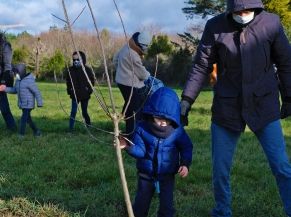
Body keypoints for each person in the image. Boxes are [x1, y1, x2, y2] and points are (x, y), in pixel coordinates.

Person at [180, 0, 291, 216]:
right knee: (220, 169)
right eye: (238, 10)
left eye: (248, 10)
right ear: (230, 9)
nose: (243, 14)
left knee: (281, 166)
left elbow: (286, 62)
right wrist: (186, 100)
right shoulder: (215, 27)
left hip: (264, 103)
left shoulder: (272, 24)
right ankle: (222, 211)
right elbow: (202, 65)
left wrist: (289, 96)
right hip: (227, 106)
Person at [120, 87, 193, 217]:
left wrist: (185, 163)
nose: (163, 122)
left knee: (167, 207)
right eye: (159, 117)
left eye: (167, 119)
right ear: (151, 113)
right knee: (141, 205)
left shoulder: (177, 131)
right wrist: (128, 146)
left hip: (167, 176)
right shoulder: (142, 128)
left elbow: (186, 146)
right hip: (146, 175)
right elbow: (141, 151)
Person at [113, 31, 152, 137]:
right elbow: (143, 75)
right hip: (132, 85)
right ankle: (132, 134)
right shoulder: (134, 56)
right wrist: (149, 75)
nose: (145, 48)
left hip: (121, 82)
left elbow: (115, 60)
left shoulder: (125, 47)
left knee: (128, 104)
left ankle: (126, 121)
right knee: (135, 111)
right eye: (144, 46)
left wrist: (121, 71)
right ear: (140, 44)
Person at [6, 63, 43, 137]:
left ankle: (21, 134)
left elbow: (36, 92)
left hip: (28, 104)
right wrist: (5, 89)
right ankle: (37, 131)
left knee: (23, 119)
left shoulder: (29, 81)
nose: (15, 75)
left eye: (16, 73)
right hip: (23, 104)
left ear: (21, 72)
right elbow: (14, 90)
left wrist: (39, 103)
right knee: (28, 120)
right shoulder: (18, 81)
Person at [65, 51, 95, 131]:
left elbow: (92, 81)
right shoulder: (70, 70)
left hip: (85, 94)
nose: (76, 61)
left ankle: (89, 126)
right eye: (74, 60)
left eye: (77, 59)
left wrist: (89, 90)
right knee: (73, 111)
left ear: (82, 59)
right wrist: (69, 90)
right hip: (74, 94)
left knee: (84, 112)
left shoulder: (87, 70)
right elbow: (68, 81)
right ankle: (70, 129)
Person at [0, 32, 16, 131]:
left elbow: (7, 66)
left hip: (1, 78)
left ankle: (12, 127)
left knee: (3, 105)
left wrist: (2, 83)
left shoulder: (5, 46)